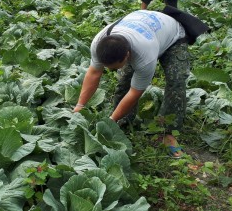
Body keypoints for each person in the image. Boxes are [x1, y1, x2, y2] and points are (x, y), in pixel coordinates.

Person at [73, 10, 191, 158]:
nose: (111, 70)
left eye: (115, 67)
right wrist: (80, 105)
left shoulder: (144, 56)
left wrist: (110, 121)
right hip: (142, 28)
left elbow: (135, 93)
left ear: (127, 55)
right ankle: (123, 122)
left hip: (173, 36)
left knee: (176, 81)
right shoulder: (98, 43)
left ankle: (168, 132)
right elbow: (94, 73)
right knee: (124, 82)